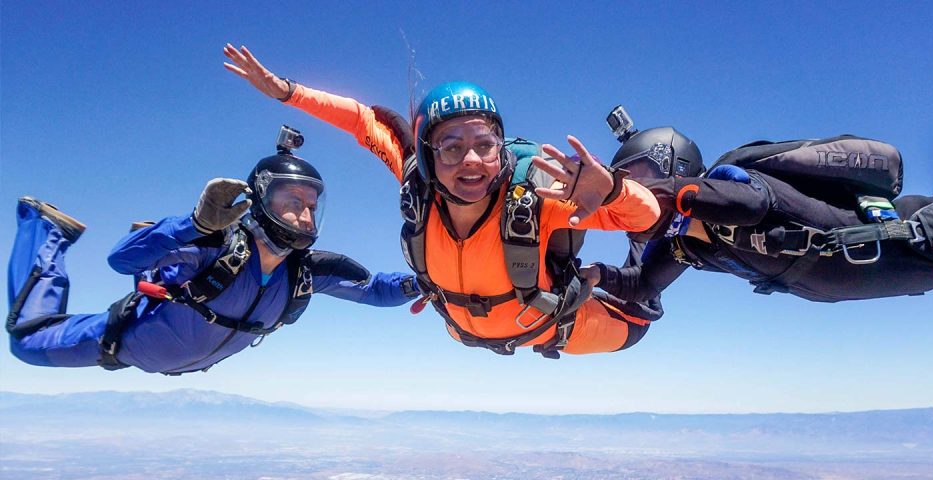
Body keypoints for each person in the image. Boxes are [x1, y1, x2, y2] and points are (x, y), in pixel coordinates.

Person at [224, 44, 661, 357]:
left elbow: (646, 217)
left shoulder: (542, 193)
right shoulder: (419, 183)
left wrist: (613, 190)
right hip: (467, 330)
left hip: (558, 330)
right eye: (451, 147)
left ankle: (677, 214)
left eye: (485, 144)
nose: (471, 160)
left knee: (641, 320)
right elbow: (363, 122)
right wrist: (287, 91)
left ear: (501, 148)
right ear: (429, 155)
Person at [6, 137, 419, 373]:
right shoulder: (216, 248)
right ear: (261, 199)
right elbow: (121, 262)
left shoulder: (306, 274)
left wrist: (427, 281)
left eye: (313, 205)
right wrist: (194, 225)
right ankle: (46, 230)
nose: (305, 213)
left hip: (158, 358)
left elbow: (377, 291)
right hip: (117, 343)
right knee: (25, 342)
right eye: (293, 200)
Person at [582, 122, 933, 303]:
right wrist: (596, 275)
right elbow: (643, 285)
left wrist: (623, 193)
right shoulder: (688, 246)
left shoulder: (734, 182)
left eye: (642, 176)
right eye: (631, 181)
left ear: (677, 171)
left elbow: (751, 206)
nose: (634, 189)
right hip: (926, 264)